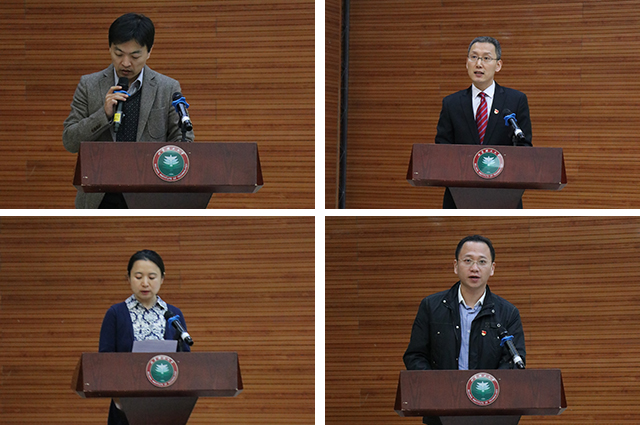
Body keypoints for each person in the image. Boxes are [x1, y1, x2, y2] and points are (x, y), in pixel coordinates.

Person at [63, 13, 194, 209]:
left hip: (149, 197)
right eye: (118, 53)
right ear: (109, 48)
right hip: (99, 198)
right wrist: (103, 115)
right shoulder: (89, 85)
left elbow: (184, 142)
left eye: (135, 56)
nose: (125, 63)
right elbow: (70, 141)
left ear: (149, 52)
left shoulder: (167, 88)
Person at [403, 235, 525, 425]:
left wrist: (487, 392)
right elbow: (415, 356)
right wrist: (439, 388)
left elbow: (514, 361)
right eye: (468, 261)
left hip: (491, 412)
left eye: (482, 262)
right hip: (441, 410)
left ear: (492, 268)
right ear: (455, 266)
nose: (475, 268)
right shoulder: (431, 307)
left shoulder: (508, 313)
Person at [434, 36, 532, 208]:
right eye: (474, 57)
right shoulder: (451, 103)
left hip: (503, 195)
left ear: (498, 65)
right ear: (467, 63)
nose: (479, 64)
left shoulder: (515, 100)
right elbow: (442, 150)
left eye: (486, 58)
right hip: (459, 196)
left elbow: (525, 147)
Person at [99, 249, 190, 425]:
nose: (145, 283)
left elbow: (185, 360)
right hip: (125, 404)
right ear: (128, 278)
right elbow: (105, 361)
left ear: (162, 279)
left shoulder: (173, 315)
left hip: (167, 404)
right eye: (138, 277)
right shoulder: (116, 313)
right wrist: (119, 400)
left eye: (152, 277)